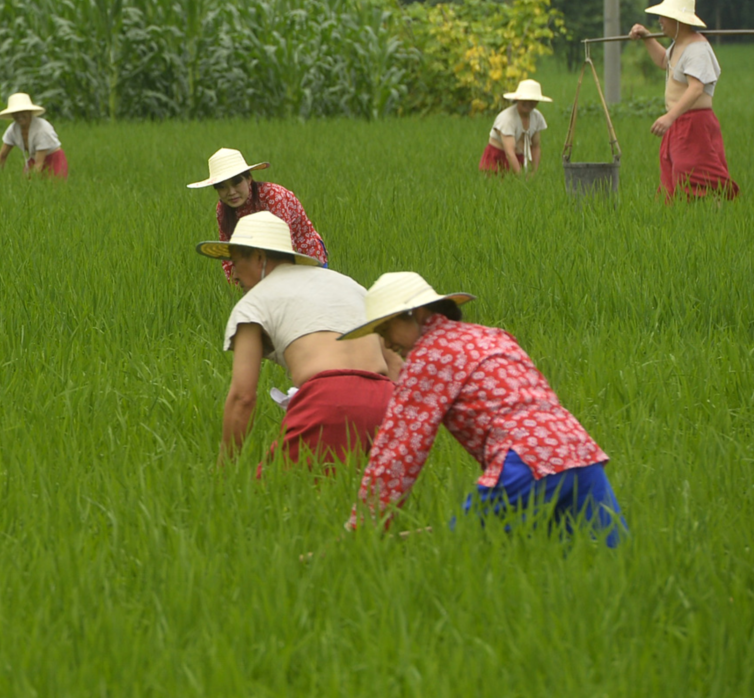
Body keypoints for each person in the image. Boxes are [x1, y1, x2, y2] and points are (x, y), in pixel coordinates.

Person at [341, 272, 623, 546]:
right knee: (606, 560)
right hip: (580, 452)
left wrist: (362, 529)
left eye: (385, 330)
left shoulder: (429, 354)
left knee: (459, 558)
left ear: (415, 314)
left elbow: (399, 447)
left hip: (526, 463)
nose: (387, 344)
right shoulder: (492, 336)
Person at [198, 212, 395, 469]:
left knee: (269, 498)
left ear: (259, 257)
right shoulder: (351, 286)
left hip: (329, 401)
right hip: (386, 400)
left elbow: (243, 397)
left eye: (235, 262)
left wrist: (225, 472)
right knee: (365, 498)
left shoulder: (253, 302)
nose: (233, 274)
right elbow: (395, 360)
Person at [629, 0, 739, 201]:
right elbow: (664, 62)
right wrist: (646, 36)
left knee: (692, 173)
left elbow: (696, 88)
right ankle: (688, 218)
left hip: (695, 122)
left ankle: (711, 214)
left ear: (678, 20)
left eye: (664, 17)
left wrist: (669, 117)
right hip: (680, 121)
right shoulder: (678, 44)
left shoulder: (697, 48)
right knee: (676, 173)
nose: (660, 21)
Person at [188, 147, 328, 282]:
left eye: (236, 183)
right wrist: (236, 285)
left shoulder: (273, 196)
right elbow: (229, 252)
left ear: (249, 179)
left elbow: (284, 249)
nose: (231, 192)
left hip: (306, 257)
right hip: (260, 266)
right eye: (222, 187)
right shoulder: (222, 208)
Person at [479, 79, 550, 174]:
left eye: (532, 100)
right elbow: (509, 153)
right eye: (525, 100)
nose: (528, 103)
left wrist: (534, 172)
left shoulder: (537, 117)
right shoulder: (507, 118)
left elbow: (535, 146)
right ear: (518, 99)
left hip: (519, 158)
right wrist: (521, 177)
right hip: (498, 159)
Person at [0, 93, 68, 178]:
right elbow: (2, 156)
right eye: (16, 113)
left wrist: (31, 183)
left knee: (53, 187)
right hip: (34, 158)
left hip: (53, 159)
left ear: (30, 112)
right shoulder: (13, 129)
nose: (19, 116)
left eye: (23, 112)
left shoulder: (42, 129)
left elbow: (39, 163)